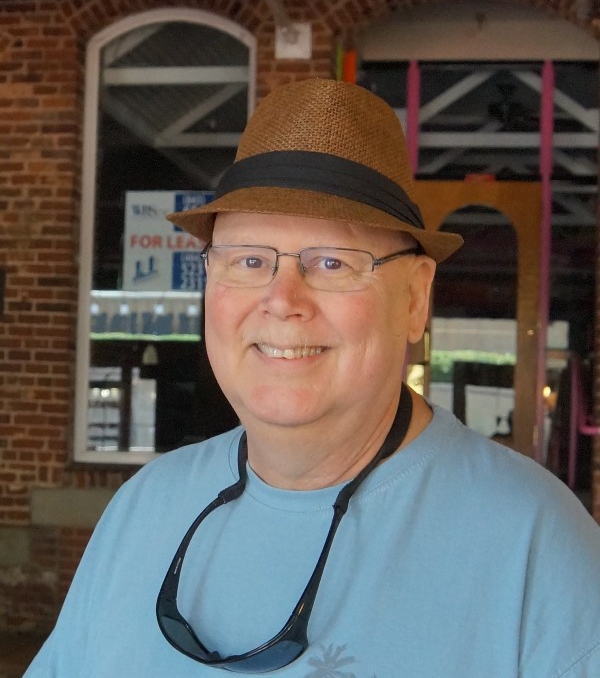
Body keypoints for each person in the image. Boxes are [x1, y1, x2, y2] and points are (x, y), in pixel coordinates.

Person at [25, 78, 600, 677]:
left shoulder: (536, 547)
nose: (282, 300)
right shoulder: (143, 509)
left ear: (414, 298)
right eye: (250, 260)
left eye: (331, 262)